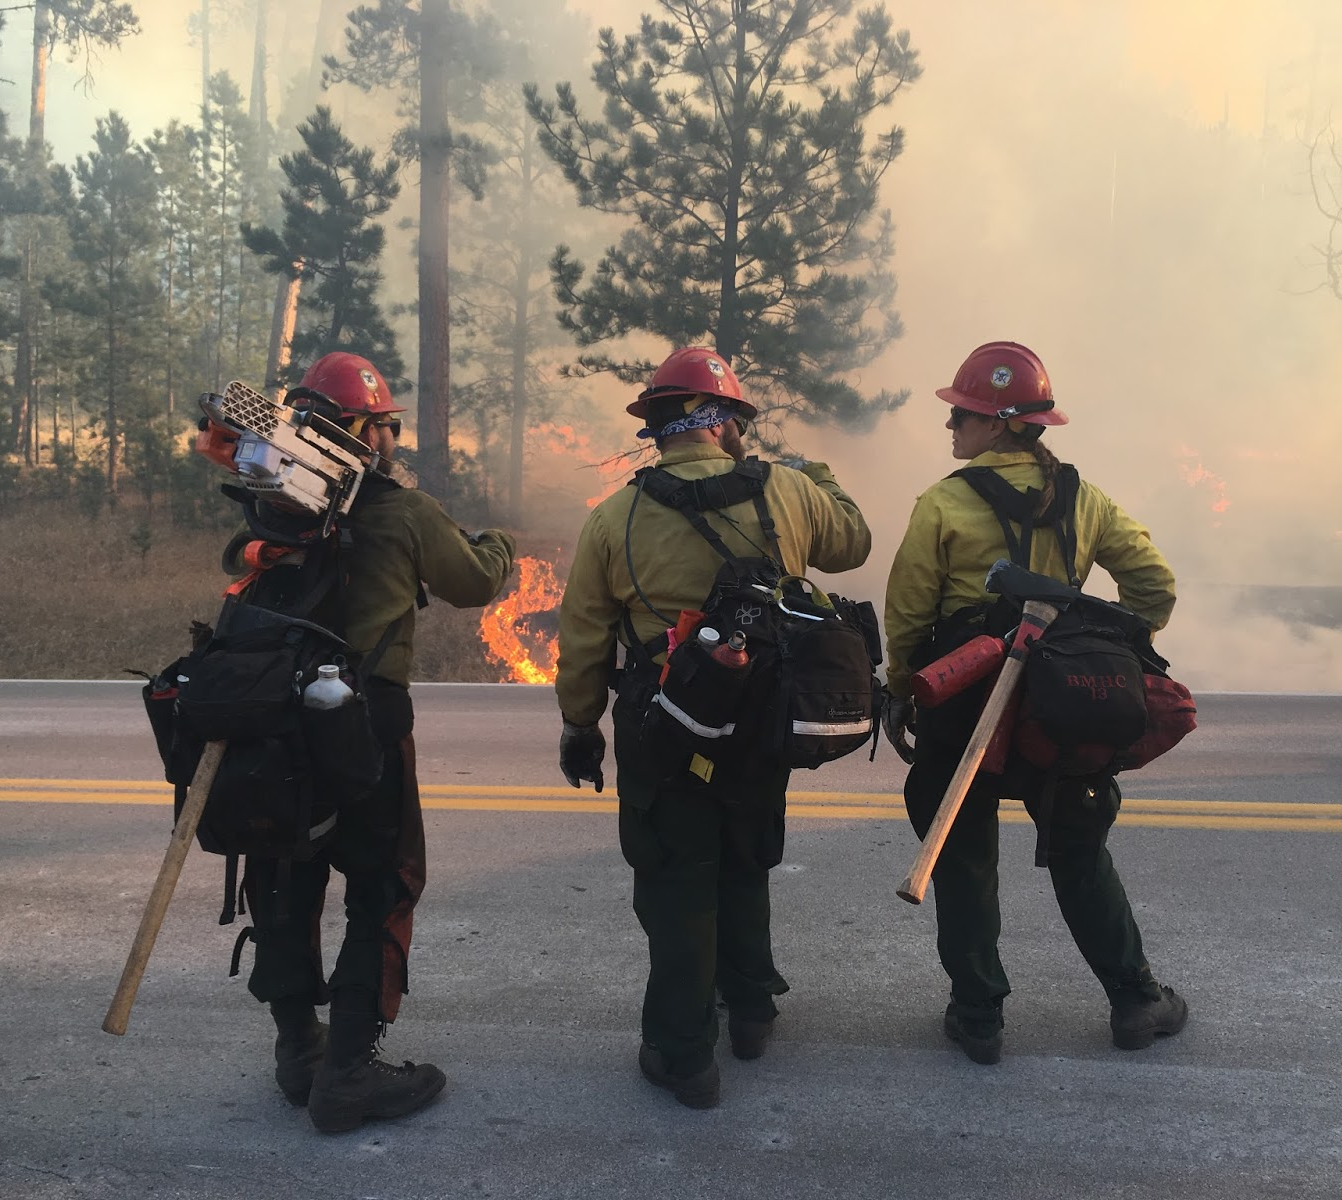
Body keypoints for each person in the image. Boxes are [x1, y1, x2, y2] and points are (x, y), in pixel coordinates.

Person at [554, 347, 872, 1109]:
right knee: (744, 856)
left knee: (675, 880)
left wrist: (580, 726)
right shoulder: (790, 492)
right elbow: (852, 543)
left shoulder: (612, 517)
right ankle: (753, 1009)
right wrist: (817, 476)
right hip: (762, 719)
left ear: (658, 430)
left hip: (663, 727)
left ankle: (682, 1053)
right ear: (727, 425)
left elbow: (585, 641)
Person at [227, 351, 516, 1133]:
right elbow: (476, 582)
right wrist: (500, 544)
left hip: (276, 726)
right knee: (383, 886)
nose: (391, 439)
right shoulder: (399, 511)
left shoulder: (276, 509)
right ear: (360, 429)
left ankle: (300, 1052)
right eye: (385, 424)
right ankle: (350, 1070)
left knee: (286, 879)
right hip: (365, 725)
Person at [881, 340, 1186, 1065]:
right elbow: (1154, 591)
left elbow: (906, 617)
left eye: (963, 417)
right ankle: (1137, 1001)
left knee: (959, 858)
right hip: (1064, 706)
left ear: (1001, 426)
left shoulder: (944, 504)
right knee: (1081, 852)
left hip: (967, 708)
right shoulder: (1088, 500)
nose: (951, 429)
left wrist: (906, 690)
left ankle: (979, 1015)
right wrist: (1100, 640)